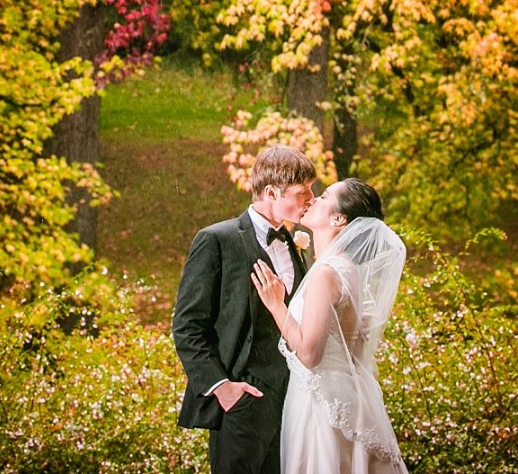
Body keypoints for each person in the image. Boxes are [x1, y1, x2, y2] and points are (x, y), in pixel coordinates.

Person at [174, 145, 318, 474]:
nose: (311, 197)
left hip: (293, 404)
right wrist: (222, 388)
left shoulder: (295, 244)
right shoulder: (216, 240)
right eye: (302, 191)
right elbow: (188, 326)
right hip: (242, 404)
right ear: (271, 191)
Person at [250, 178, 409, 474]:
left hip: (321, 405)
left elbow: (310, 355)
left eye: (322, 197)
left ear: (338, 218)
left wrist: (276, 305)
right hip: (346, 396)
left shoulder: (325, 273)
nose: (312, 200)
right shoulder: (347, 269)